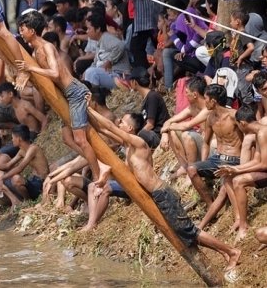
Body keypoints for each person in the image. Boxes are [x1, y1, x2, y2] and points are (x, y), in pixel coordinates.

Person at [87, 106, 241, 274]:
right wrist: (85, 112)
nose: (119, 123)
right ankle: (225, 253)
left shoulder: (139, 144)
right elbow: (102, 128)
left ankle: (232, 252)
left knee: (190, 231)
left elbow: (109, 127)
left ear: (130, 128)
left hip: (163, 194)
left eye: (121, 122)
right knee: (185, 235)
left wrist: (87, 107)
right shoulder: (128, 147)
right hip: (158, 196)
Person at [15, 10, 109, 187]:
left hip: (73, 92)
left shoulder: (47, 47)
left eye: (23, 29)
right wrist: (24, 75)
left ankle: (99, 172)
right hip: (65, 97)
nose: (21, 32)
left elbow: (55, 73)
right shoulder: (35, 53)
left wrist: (31, 69)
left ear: (32, 31)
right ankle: (97, 162)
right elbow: (37, 74)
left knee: (82, 139)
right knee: (67, 137)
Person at [186, 84, 242, 208]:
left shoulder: (234, 116)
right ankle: (209, 203)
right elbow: (206, 142)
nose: (204, 101)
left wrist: (245, 164)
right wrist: (204, 162)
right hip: (217, 159)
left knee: (226, 184)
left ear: (213, 101)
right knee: (191, 169)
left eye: (206, 98)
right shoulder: (210, 118)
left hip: (234, 160)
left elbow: (248, 139)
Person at [217, 105, 267, 241]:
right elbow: (257, 160)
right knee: (234, 177)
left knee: (238, 181)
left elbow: (263, 164)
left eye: (238, 125)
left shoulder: (263, 133)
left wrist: (237, 170)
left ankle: (243, 226)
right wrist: (235, 169)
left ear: (242, 123)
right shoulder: (259, 133)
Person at [160, 76, 208, 178]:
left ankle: (192, 172)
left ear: (195, 94)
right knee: (172, 131)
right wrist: (165, 133)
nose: (185, 95)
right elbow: (170, 121)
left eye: (186, 92)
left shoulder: (207, 108)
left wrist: (168, 127)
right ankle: (184, 167)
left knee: (186, 135)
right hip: (201, 143)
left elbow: (187, 125)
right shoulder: (192, 107)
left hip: (210, 147)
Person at [0, 125, 49, 206]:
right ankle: (27, 201)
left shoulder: (33, 149)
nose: (12, 140)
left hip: (41, 183)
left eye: (13, 137)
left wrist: (2, 178)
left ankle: (28, 202)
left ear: (19, 138)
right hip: (33, 181)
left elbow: (20, 168)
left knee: (16, 179)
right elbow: (7, 165)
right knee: (12, 178)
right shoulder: (22, 151)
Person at [82, 12, 131, 91]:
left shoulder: (106, 37)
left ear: (98, 29)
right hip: (110, 75)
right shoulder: (100, 41)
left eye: (89, 28)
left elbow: (120, 46)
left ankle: (96, 97)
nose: (87, 31)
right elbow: (95, 63)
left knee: (91, 73)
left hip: (119, 77)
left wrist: (109, 61)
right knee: (88, 72)